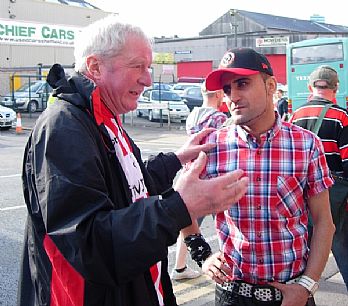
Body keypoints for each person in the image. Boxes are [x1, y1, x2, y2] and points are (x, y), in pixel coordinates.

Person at [17, 17, 250, 306]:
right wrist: (181, 206)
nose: (148, 79)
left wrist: (176, 159)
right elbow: (90, 244)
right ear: (95, 67)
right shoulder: (65, 128)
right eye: (137, 66)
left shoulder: (103, 116)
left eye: (148, 67)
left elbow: (130, 188)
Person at [183, 48, 335, 306]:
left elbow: (324, 223)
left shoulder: (306, 145)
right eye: (228, 89)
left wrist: (306, 286)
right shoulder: (210, 146)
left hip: (292, 295)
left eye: (242, 83)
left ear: (271, 85)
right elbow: (180, 206)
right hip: (232, 295)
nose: (233, 97)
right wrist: (203, 255)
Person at [290, 65, 348, 291]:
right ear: (336, 88)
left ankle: (300, 292)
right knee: (343, 249)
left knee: (303, 253)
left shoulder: (294, 116)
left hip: (302, 196)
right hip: (334, 197)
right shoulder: (342, 116)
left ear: (310, 87)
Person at [171, 82, 228, 281]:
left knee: (188, 225)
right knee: (225, 224)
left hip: (190, 175)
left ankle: (179, 267)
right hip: (210, 177)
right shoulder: (219, 118)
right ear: (219, 94)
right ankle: (226, 265)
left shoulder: (193, 115)